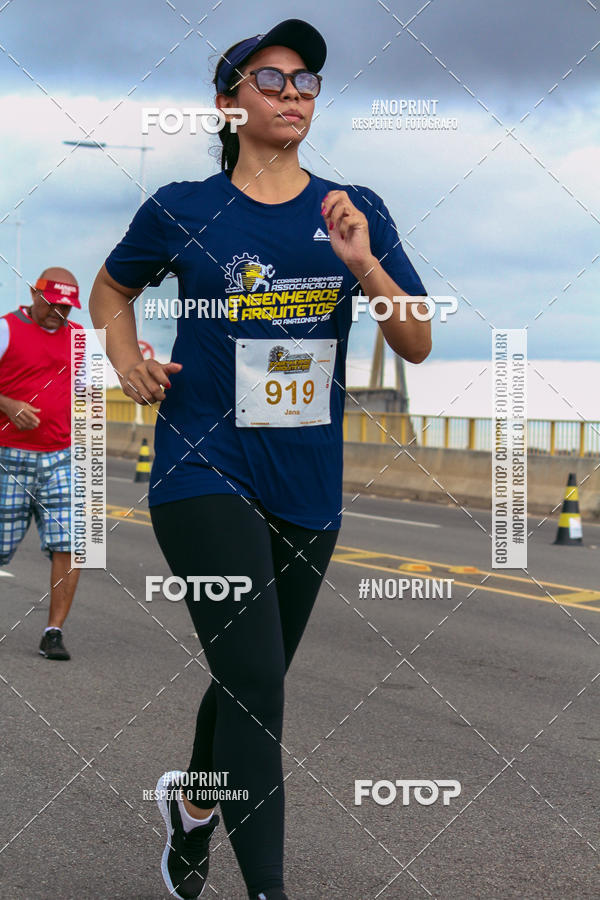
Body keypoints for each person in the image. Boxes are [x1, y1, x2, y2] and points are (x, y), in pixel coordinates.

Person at [89, 18, 431, 900]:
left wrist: (365, 267)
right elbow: (112, 288)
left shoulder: (356, 209)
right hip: (201, 468)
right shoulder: (183, 208)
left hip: (308, 485)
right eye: (272, 78)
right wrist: (128, 362)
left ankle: (195, 807)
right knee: (255, 687)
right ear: (229, 102)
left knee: (252, 675)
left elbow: (419, 340)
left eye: (307, 81)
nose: (292, 93)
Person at [0, 268, 83, 661]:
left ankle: (53, 632)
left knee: (71, 544)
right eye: (51, 304)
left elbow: (94, 389)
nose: (58, 313)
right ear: (34, 294)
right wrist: (8, 404)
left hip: (61, 457)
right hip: (8, 457)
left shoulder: (80, 340)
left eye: (65, 307)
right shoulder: (6, 329)